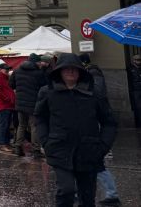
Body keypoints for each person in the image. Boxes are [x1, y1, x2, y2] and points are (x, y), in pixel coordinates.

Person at [35, 53, 117, 207]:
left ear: (81, 71)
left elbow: (109, 122)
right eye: (66, 69)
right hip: (60, 149)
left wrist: (103, 146)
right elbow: (40, 118)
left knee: (87, 198)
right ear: (59, 71)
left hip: (89, 151)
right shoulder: (47, 92)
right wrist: (46, 141)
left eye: (74, 69)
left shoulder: (94, 93)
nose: (70, 72)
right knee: (66, 190)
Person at [79, 53, 121, 206]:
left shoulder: (93, 73)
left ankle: (111, 193)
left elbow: (97, 93)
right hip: (93, 116)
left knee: (96, 162)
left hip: (95, 116)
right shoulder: (93, 72)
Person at [9, 54, 49, 157]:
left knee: (21, 125)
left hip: (20, 103)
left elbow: (11, 84)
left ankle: (18, 147)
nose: (40, 64)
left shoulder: (17, 71)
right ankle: (35, 150)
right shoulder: (38, 73)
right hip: (33, 103)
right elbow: (44, 86)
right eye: (39, 62)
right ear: (36, 62)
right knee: (34, 126)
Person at [0, 63, 15, 152]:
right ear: (0, 69)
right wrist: (7, 98)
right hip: (4, 104)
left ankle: (6, 143)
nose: (7, 70)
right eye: (6, 69)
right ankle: (2, 144)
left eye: (8, 69)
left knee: (6, 125)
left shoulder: (4, 77)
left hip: (8, 105)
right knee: (4, 125)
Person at [129, 54, 141, 127]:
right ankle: (139, 123)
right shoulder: (130, 69)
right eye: (137, 60)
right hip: (136, 91)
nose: (139, 61)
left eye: (139, 59)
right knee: (138, 107)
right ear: (133, 60)